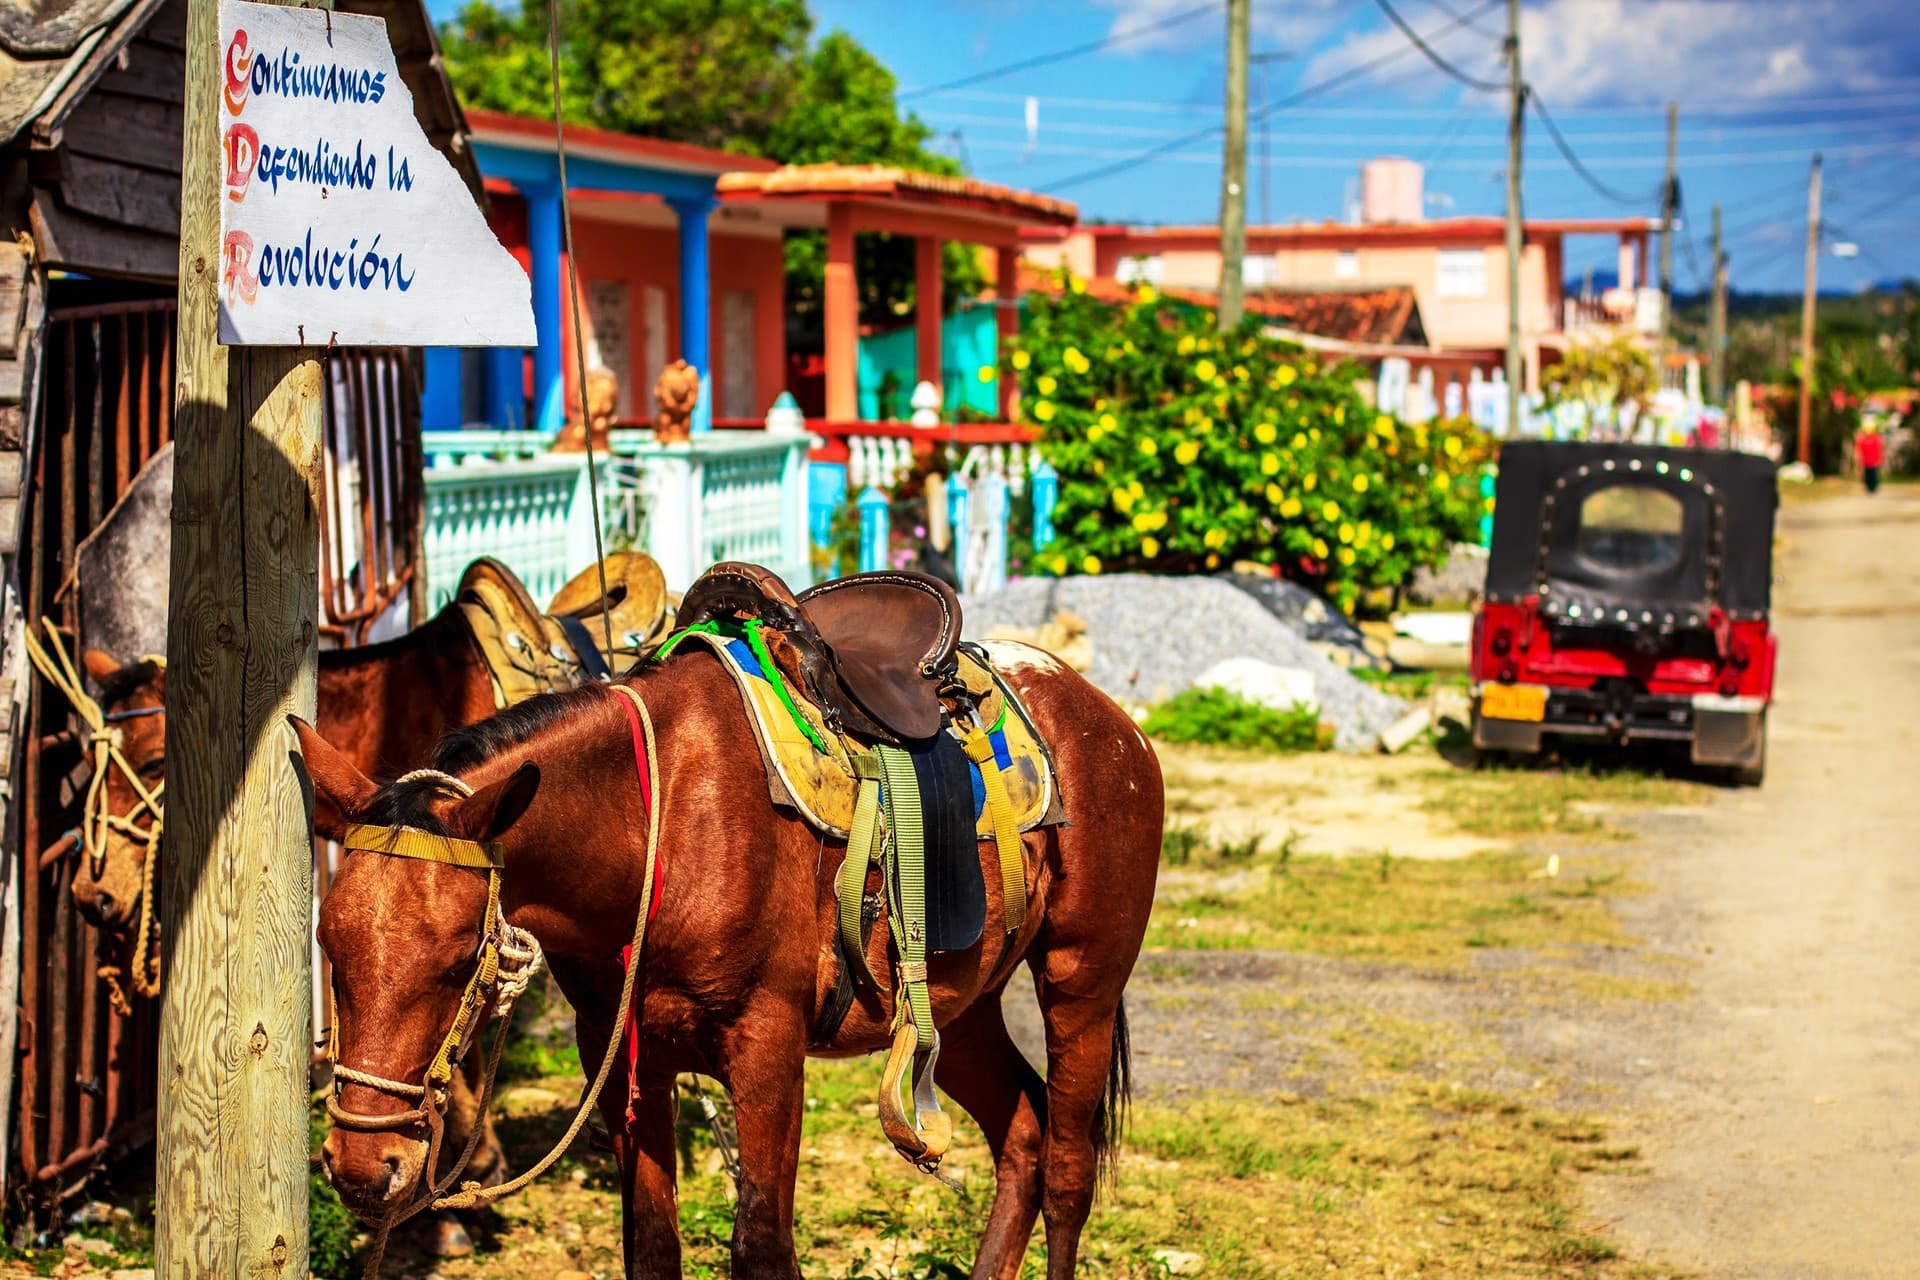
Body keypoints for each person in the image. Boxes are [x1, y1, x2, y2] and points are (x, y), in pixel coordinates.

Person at [1857, 426, 1886, 495]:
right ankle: (1868, 487)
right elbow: (1859, 450)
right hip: (1866, 461)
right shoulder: (1863, 439)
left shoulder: (1876, 438)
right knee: (1867, 475)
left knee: (1874, 475)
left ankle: (1874, 487)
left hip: (1874, 461)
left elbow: (1881, 448)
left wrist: (1881, 458)